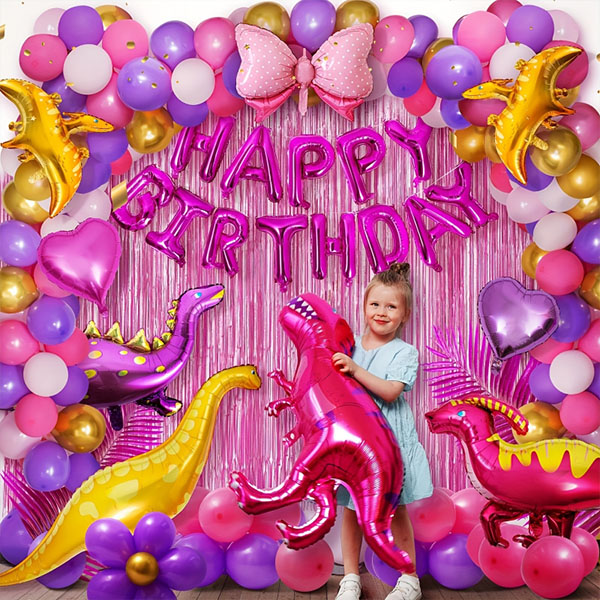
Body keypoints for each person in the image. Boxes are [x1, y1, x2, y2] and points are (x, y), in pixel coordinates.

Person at [331, 262, 433, 600]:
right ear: (364, 307)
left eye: (391, 306)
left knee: (397, 508)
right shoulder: (349, 347)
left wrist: (354, 369)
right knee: (352, 509)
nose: (382, 312)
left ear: (405, 315)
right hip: (356, 445)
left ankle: (409, 579)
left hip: (389, 445)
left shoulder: (405, 352)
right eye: (375, 304)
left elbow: (390, 391)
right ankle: (350, 578)